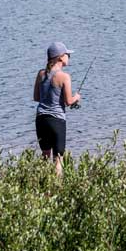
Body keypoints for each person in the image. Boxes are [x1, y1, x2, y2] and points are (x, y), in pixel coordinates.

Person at [33, 41, 80, 175]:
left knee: (45, 155)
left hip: (41, 120)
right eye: (67, 55)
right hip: (56, 121)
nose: (69, 57)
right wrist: (76, 97)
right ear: (60, 57)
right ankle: (57, 189)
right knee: (58, 159)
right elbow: (68, 101)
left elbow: (37, 98)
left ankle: (42, 186)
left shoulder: (41, 74)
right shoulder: (64, 77)